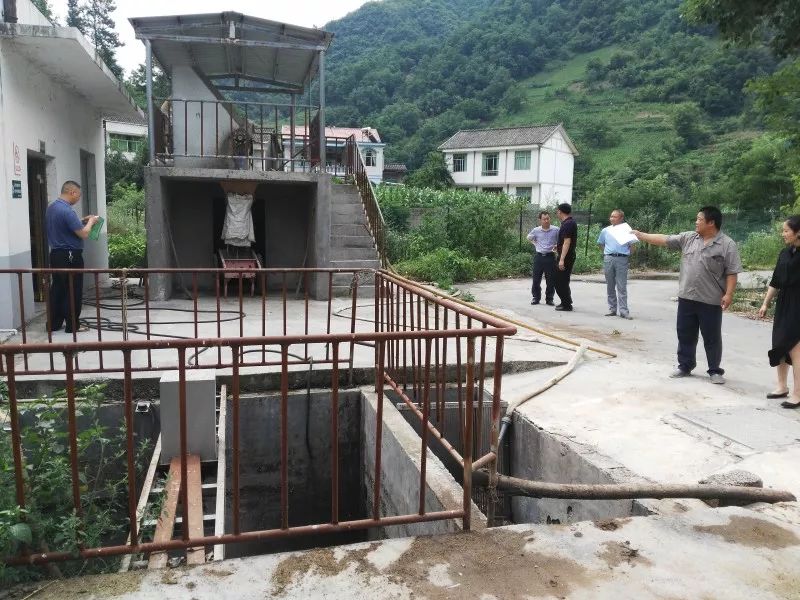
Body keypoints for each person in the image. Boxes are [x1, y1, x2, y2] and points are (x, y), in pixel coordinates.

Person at [632, 206, 742, 384]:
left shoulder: (727, 244)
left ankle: (714, 370)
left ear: (711, 222)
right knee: (685, 333)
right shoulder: (689, 238)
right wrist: (641, 235)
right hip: (686, 297)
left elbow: (732, 272)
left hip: (711, 299)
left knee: (712, 336)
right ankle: (685, 365)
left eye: (699, 219)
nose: (696, 222)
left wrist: (729, 294)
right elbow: (664, 239)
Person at [45, 181, 99, 334]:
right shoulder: (68, 211)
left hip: (56, 255)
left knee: (58, 289)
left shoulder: (52, 207)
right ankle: (72, 325)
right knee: (73, 290)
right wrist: (91, 222)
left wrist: (82, 220)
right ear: (72, 192)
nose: (78, 198)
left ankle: (53, 324)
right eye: (79, 195)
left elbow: (65, 224)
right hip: (70, 256)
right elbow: (84, 233)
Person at [758, 215, 800, 408]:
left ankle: (798, 393)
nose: (783, 234)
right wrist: (766, 303)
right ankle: (781, 386)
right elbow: (775, 281)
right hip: (784, 302)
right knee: (779, 343)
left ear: (798, 232)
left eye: (786, 230)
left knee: (796, 348)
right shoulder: (784, 253)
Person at [597, 209, 636, 319]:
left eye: (614, 216)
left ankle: (624, 311)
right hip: (609, 258)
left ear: (621, 218)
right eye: (611, 216)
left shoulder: (626, 230)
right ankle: (612, 309)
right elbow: (600, 243)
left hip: (622, 258)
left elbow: (632, 245)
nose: (611, 218)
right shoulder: (606, 230)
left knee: (621, 285)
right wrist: (607, 253)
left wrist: (627, 254)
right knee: (610, 284)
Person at [526, 210, 559, 305]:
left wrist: (557, 246)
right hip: (539, 257)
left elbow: (560, 240)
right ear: (540, 220)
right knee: (536, 279)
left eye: (548, 218)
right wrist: (535, 243)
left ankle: (549, 299)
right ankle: (536, 297)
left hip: (550, 257)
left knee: (551, 279)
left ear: (550, 219)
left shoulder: (556, 230)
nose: (546, 221)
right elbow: (529, 237)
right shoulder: (536, 230)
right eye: (544, 219)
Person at [553, 203, 577, 311]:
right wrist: (557, 247)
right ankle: (565, 301)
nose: (557, 213)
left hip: (566, 258)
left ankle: (567, 304)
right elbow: (564, 242)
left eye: (557, 211)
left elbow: (567, 242)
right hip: (566, 255)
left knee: (560, 281)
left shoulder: (568, 224)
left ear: (560, 211)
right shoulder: (568, 223)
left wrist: (561, 259)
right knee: (562, 280)